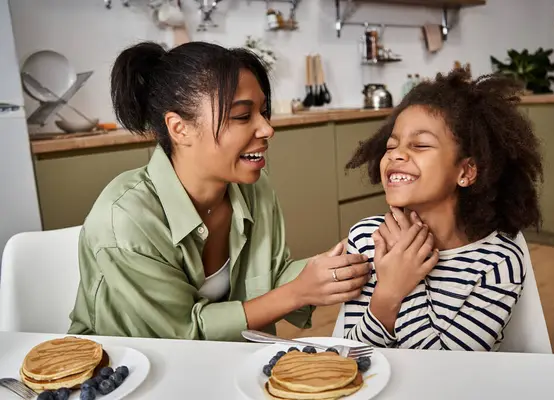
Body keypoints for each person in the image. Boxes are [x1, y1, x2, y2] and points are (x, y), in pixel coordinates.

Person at [68, 41, 371, 341]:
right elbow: (181, 335)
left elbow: (272, 277)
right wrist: (297, 292)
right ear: (179, 128)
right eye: (242, 116)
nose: (267, 129)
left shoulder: (254, 188)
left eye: (264, 113)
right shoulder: (125, 219)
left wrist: (348, 260)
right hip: (128, 375)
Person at [341, 68, 543, 351]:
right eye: (391, 145)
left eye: (421, 145)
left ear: (466, 171)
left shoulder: (497, 263)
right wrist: (388, 293)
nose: (396, 154)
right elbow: (347, 358)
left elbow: (443, 370)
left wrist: (403, 282)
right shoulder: (366, 238)